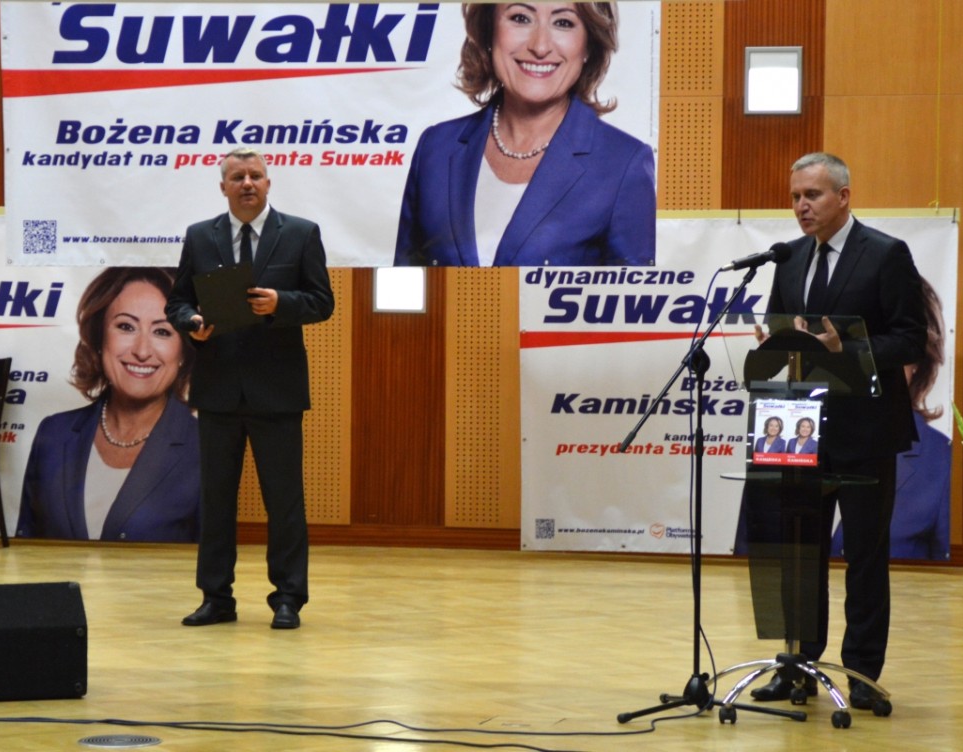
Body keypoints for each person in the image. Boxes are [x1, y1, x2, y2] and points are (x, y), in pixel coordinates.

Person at [746, 153, 927, 709]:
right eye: (795, 196)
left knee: (865, 558)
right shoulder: (790, 258)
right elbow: (783, 327)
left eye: (813, 195)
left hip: (866, 430)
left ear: (843, 197)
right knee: (800, 554)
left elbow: (909, 338)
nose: (801, 206)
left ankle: (861, 675)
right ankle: (797, 667)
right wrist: (773, 342)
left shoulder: (886, 254)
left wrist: (844, 348)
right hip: (801, 430)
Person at [165, 146, 335, 630]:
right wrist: (191, 323)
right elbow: (178, 302)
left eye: (255, 176)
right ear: (222, 186)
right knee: (216, 501)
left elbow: (322, 302)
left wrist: (282, 302)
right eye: (237, 176)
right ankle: (216, 597)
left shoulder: (300, 233)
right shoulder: (201, 236)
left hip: (277, 391)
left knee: (284, 501)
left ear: (268, 183)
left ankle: (288, 598)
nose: (247, 183)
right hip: (217, 389)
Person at [393, 2, 656, 267]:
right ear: (489, 30)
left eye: (563, 23)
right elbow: (404, 288)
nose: (540, 47)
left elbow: (633, 294)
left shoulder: (624, 165)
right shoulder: (435, 148)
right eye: (520, 18)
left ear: (588, 45)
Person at [17, 267, 200, 542]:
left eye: (162, 331)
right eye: (126, 326)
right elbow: (26, 550)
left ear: (183, 350)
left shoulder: (207, 447)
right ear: (100, 337)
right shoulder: (53, 433)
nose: (142, 351)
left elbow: (214, 562)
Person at [831, 278, 950, 560]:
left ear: (918, 360)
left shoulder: (942, 462)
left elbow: (951, 575)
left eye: (888, 346)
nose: (868, 362)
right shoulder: (787, 439)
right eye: (853, 345)